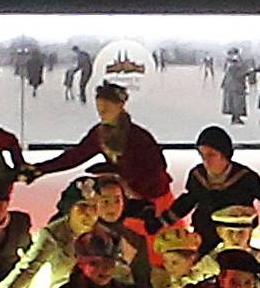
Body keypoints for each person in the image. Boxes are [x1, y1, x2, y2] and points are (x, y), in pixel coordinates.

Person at [25, 80, 172, 216]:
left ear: (120, 106)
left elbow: (157, 168)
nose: (102, 112)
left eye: (106, 108)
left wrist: (119, 175)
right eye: (99, 108)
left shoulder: (138, 137)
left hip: (153, 196)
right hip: (123, 196)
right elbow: (76, 155)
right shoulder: (100, 134)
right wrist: (41, 169)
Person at [168, 129, 260, 253]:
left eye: (211, 155)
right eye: (202, 155)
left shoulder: (245, 178)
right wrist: (161, 221)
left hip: (236, 238)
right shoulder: (197, 175)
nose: (206, 161)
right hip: (204, 234)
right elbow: (187, 201)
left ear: (224, 154)